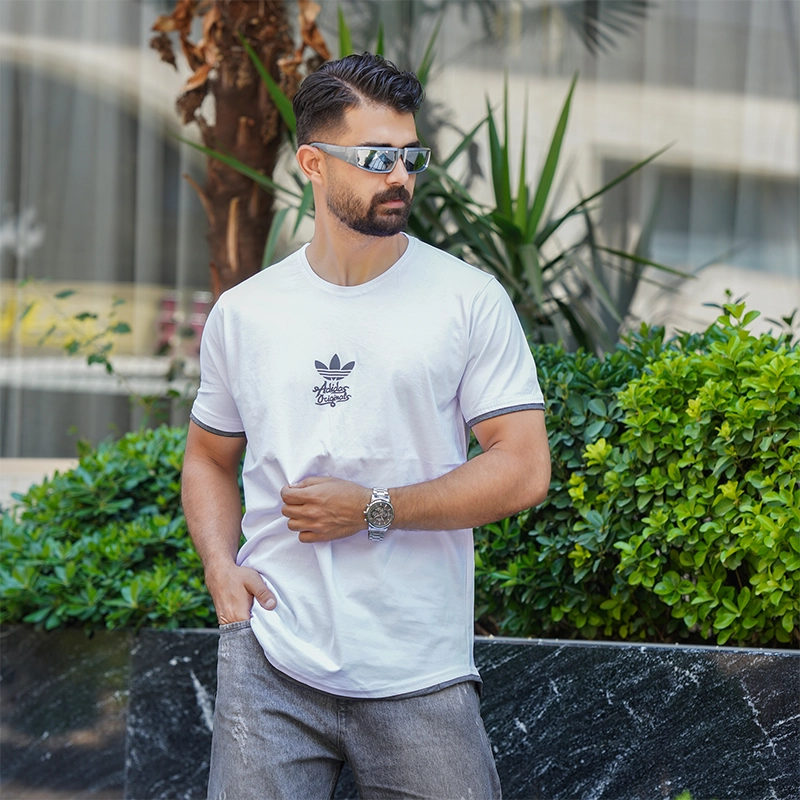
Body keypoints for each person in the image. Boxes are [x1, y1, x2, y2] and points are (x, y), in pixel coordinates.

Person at [182, 51, 551, 800]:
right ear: (314, 164)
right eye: (378, 157)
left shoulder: (467, 300)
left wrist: (374, 508)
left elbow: (522, 468)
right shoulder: (246, 313)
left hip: (419, 667)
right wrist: (220, 566)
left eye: (411, 156)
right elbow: (208, 457)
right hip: (270, 657)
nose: (400, 176)